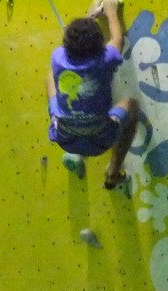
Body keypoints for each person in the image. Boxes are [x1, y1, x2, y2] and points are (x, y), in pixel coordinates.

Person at [45, 0, 138, 188]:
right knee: (132, 106)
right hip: (100, 139)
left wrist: (89, 17)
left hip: (65, 136)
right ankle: (113, 170)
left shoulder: (57, 57)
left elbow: (70, 37)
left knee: (50, 78)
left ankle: (77, 154)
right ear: (100, 48)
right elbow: (117, 38)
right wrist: (111, 11)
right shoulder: (105, 59)